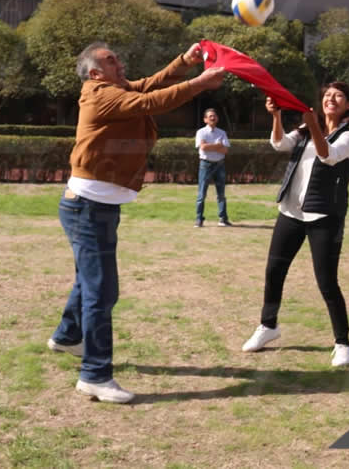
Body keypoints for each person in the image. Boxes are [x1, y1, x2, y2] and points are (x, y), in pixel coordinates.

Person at [47, 41, 225, 403]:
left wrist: (185, 62)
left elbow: (150, 85)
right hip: (88, 207)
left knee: (88, 279)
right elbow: (150, 102)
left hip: (95, 206)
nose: (120, 61)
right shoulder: (99, 95)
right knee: (102, 291)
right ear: (95, 72)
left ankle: (67, 336)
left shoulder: (113, 88)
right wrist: (200, 84)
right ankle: (94, 375)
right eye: (112, 60)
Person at [241, 82, 349, 367]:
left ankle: (342, 342)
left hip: (325, 216)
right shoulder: (304, 131)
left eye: (338, 96)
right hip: (291, 211)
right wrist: (276, 116)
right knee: (274, 271)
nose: (330, 99)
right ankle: (268, 326)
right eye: (327, 95)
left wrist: (313, 124)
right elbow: (279, 144)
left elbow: (329, 156)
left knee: (326, 281)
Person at [194, 107, 231, 227]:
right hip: (205, 165)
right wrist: (218, 145)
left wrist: (211, 146)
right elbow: (203, 147)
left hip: (220, 164)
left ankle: (223, 219)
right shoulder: (201, 132)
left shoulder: (222, 132)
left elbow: (225, 150)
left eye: (214, 116)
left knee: (221, 194)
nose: (213, 118)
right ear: (205, 119)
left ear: (217, 118)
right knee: (201, 194)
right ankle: (199, 219)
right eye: (210, 116)